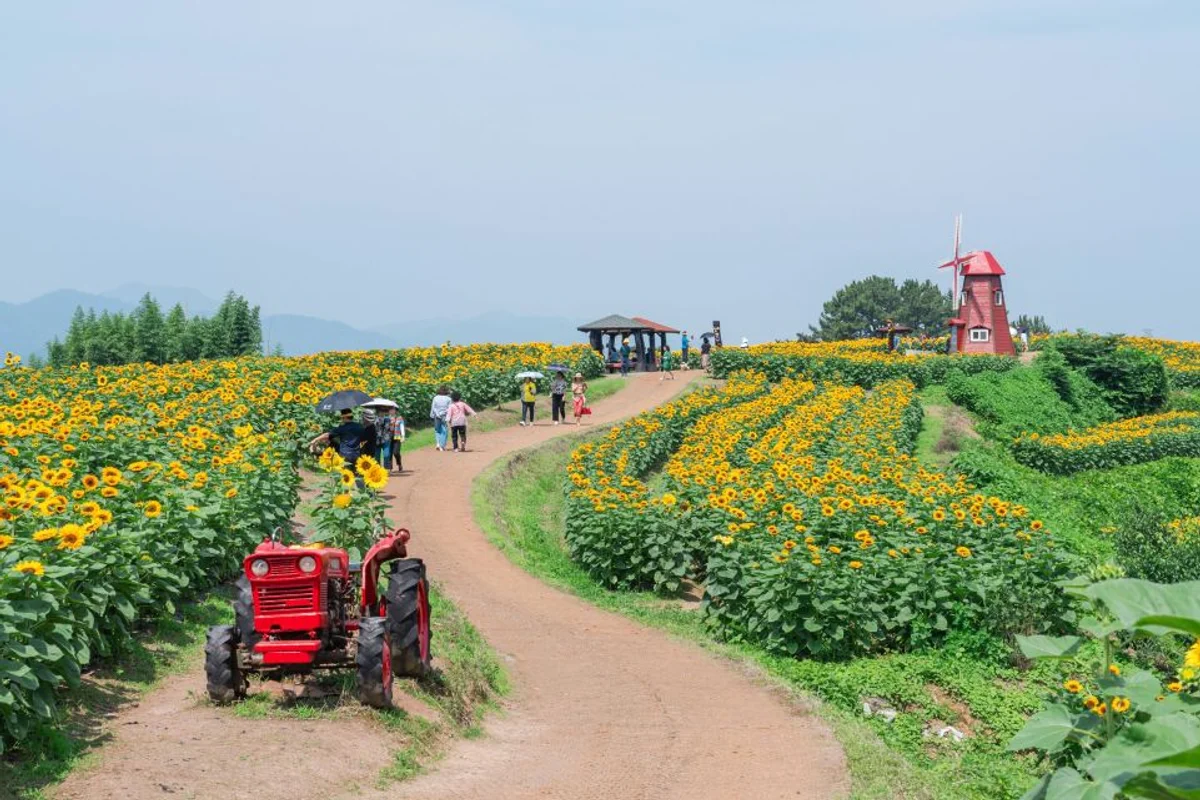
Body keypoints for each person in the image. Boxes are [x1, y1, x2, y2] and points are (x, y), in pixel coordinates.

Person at [430, 386, 452, 452]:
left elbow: (433, 407)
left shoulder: (435, 398)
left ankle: (438, 444)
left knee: (437, 430)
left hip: (437, 415)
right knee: (444, 430)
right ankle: (442, 445)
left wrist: (432, 415)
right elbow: (449, 408)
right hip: (444, 415)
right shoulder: (448, 399)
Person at [388, 408, 406, 473]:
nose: (391, 411)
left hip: (397, 437)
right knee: (389, 453)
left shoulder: (399, 418)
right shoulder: (387, 419)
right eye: (390, 409)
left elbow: (402, 427)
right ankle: (390, 468)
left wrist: (403, 436)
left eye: (393, 409)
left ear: (395, 410)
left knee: (396, 452)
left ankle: (399, 464)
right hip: (388, 437)